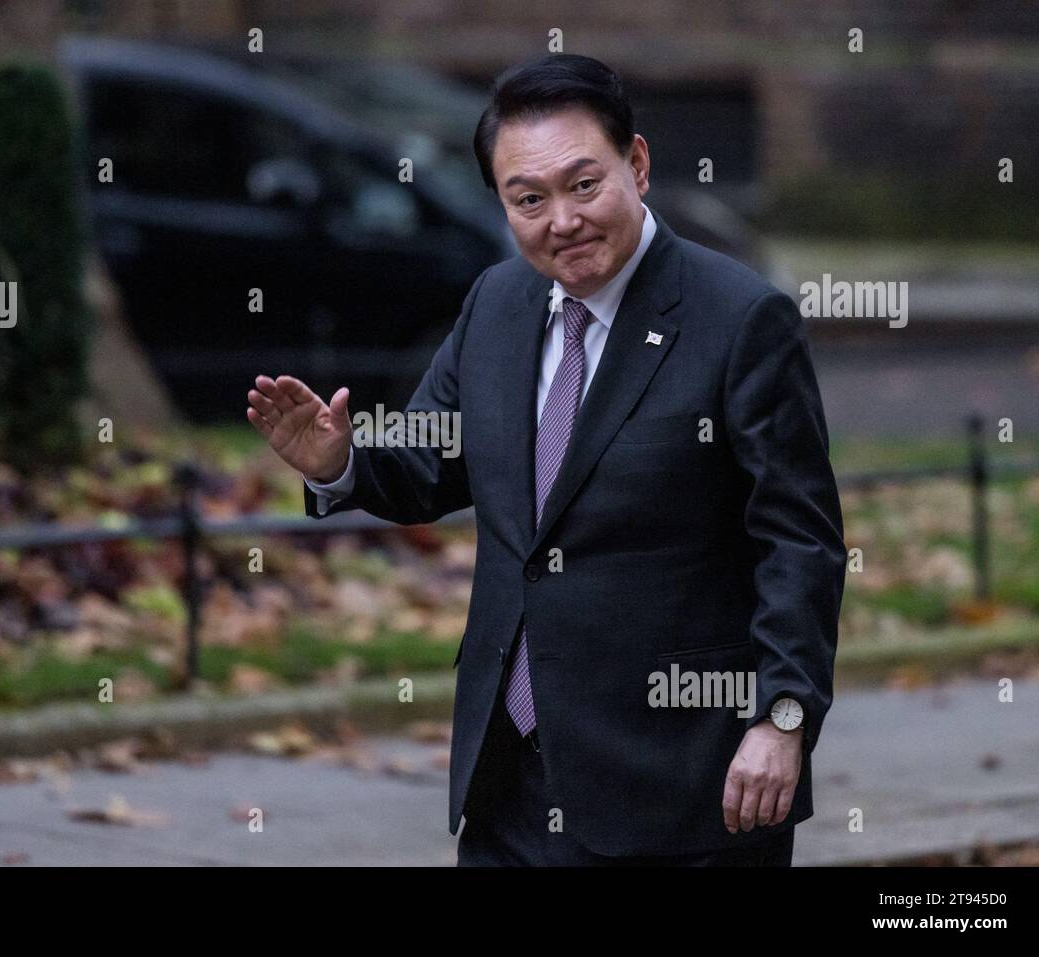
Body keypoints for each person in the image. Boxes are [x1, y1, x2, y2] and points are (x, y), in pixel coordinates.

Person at [246, 53, 846, 866]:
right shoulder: (495, 303)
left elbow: (799, 543)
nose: (561, 220)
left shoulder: (740, 320)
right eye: (529, 200)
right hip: (510, 776)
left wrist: (781, 719)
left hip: (685, 783)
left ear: (636, 164)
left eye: (583, 185)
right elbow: (433, 461)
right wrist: (340, 461)